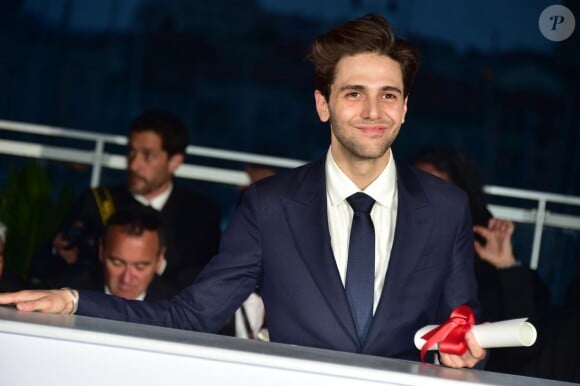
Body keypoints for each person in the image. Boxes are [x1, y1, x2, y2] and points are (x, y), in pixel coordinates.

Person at [0, 15, 485, 368]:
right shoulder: (269, 205)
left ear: (404, 109)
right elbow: (190, 315)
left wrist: (464, 353)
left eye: (389, 95)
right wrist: (75, 301)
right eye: (354, 93)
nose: (373, 111)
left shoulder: (446, 207)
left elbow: (462, 324)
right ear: (323, 104)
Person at [30, 109, 222, 291]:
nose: (134, 165)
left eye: (148, 156)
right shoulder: (97, 202)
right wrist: (61, 252)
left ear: (174, 162)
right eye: (131, 152)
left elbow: (205, 282)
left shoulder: (201, 214)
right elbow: (49, 266)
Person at [412, 145, 550, 374]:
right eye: (418, 192)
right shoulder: (389, 245)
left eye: (438, 194)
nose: (426, 207)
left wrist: (507, 265)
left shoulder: (478, 267)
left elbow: (528, 343)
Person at [61, 208, 179, 301]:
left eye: (140, 267)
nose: (126, 279)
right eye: (117, 263)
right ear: (101, 250)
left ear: (159, 260)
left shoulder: (178, 310)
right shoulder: (63, 293)